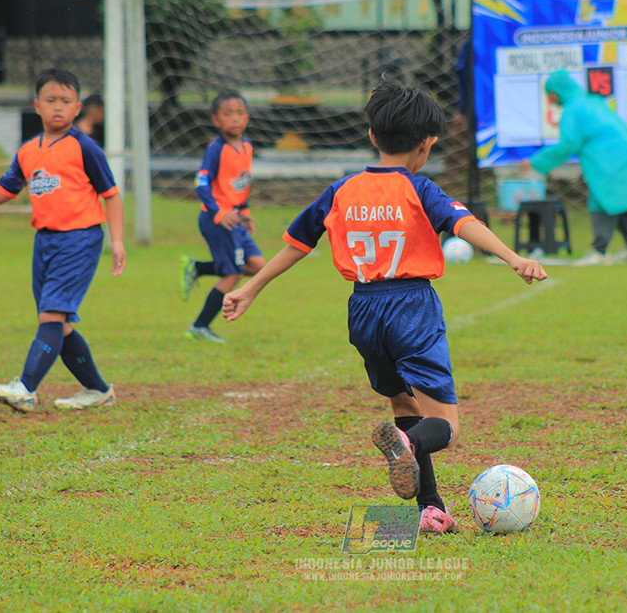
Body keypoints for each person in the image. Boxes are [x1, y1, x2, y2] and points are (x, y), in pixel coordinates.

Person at [222, 80, 548, 533]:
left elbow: (298, 243)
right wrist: (513, 257)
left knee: (403, 400)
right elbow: (463, 223)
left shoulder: (341, 189)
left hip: (363, 310)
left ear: (373, 136)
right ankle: (405, 443)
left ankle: (429, 508)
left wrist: (251, 288)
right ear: (428, 143)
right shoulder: (419, 188)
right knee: (444, 426)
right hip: (411, 306)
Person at [0, 68, 125, 412]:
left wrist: (117, 242)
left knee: (51, 318)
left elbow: (112, 195)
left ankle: (26, 388)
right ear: (37, 106)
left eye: (66, 101)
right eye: (51, 100)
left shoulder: (85, 148)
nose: (58, 107)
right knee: (58, 323)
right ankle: (99, 390)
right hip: (45, 243)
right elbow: (4, 191)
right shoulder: (28, 152)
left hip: (80, 239)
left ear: (78, 108)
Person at [519, 70, 627, 266]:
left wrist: (536, 162)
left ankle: (600, 251)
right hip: (625, 155)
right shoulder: (591, 102)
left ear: (556, 92)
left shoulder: (573, 109)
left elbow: (569, 144)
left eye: (549, 95)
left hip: (609, 159)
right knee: (616, 202)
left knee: (601, 201)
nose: (549, 100)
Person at [179, 90, 266, 343]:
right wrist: (218, 212)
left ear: (247, 117)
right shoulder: (216, 149)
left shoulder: (247, 146)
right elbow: (201, 183)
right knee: (233, 274)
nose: (235, 119)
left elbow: (241, 184)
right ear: (216, 120)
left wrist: (246, 213)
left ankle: (197, 267)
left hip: (236, 219)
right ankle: (199, 326)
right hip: (217, 220)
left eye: (239, 113)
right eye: (228, 114)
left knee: (258, 267)